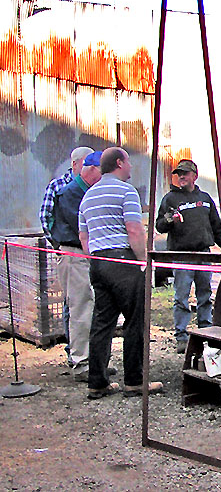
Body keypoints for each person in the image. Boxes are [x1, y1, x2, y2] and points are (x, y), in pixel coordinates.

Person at [78, 147, 162, 399]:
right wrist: (144, 262)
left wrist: (96, 257)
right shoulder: (127, 191)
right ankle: (135, 381)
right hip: (123, 260)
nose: (131, 167)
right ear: (118, 163)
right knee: (136, 321)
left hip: (99, 262)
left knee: (102, 323)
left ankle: (97, 382)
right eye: (128, 162)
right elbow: (134, 230)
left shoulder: (88, 196)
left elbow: (84, 236)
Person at [155, 158, 221, 354]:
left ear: (195, 176)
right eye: (179, 174)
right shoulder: (170, 199)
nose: (181, 177)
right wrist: (170, 219)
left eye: (185, 173)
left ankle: (206, 332)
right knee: (181, 297)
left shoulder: (206, 199)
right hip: (182, 255)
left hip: (203, 255)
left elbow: (216, 226)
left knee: (205, 296)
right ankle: (182, 337)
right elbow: (159, 226)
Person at [50, 151, 102, 380]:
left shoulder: (85, 191)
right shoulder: (71, 193)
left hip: (85, 254)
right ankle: (81, 362)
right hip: (75, 253)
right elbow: (85, 227)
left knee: (90, 306)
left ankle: (93, 360)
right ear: (90, 170)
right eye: (102, 172)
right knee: (80, 307)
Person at [41, 146, 93, 366]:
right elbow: (46, 218)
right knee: (75, 305)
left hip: (88, 253)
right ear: (75, 163)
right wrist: (59, 245)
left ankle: (87, 355)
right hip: (72, 250)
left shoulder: (92, 186)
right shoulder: (59, 187)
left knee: (85, 303)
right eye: (87, 163)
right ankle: (76, 355)